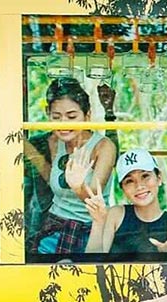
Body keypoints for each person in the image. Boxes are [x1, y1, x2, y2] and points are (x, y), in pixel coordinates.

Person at [32, 77, 117, 255]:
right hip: (53, 230)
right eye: (56, 117)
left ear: (87, 116)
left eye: (72, 117)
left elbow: (96, 202)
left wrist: (78, 187)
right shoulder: (54, 141)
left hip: (90, 231)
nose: (64, 124)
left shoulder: (103, 146)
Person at [82, 149, 167, 254]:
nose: (139, 186)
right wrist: (98, 222)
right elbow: (93, 264)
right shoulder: (116, 215)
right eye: (129, 181)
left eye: (145, 176)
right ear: (123, 189)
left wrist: (166, 256)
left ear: (159, 178)